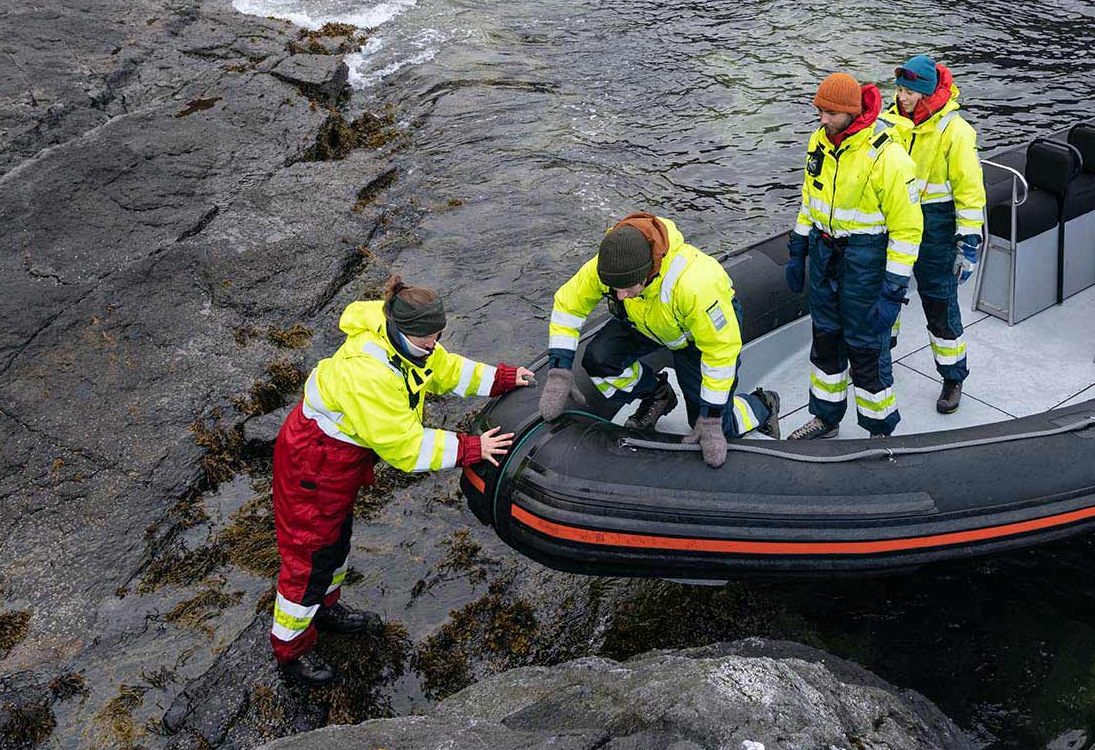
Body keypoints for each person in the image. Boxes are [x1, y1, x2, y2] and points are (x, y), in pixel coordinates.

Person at [270, 274, 531, 688]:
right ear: (401, 330)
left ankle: (325, 609)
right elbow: (407, 449)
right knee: (310, 556)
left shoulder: (408, 340)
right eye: (427, 338)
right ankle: (291, 649)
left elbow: (445, 369)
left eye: (438, 336)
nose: (433, 344)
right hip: (314, 464)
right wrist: (470, 448)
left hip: (340, 459)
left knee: (336, 542)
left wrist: (500, 378)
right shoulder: (370, 374)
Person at [535, 213, 779, 466]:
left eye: (627, 288)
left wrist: (712, 416)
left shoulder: (696, 284)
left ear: (647, 271)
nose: (619, 296)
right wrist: (559, 370)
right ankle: (658, 394)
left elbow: (720, 352)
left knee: (709, 425)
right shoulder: (612, 263)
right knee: (599, 359)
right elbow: (568, 305)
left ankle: (763, 404)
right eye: (614, 288)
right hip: (647, 321)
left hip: (695, 336)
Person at [785, 72, 923, 439]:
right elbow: (809, 200)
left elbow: (908, 230)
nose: (822, 120)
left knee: (866, 351)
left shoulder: (887, 156)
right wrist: (798, 249)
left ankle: (880, 430)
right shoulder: (820, 142)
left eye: (830, 113)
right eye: (819, 112)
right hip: (824, 252)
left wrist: (893, 289)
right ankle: (826, 417)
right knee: (825, 340)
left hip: (865, 261)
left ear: (850, 112)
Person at [884, 55, 985, 414]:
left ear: (926, 93)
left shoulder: (956, 132)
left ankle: (953, 377)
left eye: (910, 91)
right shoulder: (889, 123)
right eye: (899, 89)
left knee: (939, 303)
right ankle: (880, 360)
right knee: (887, 295)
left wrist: (969, 240)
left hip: (936, 226)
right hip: (896, 219)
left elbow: (970, 191)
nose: (902, 97)